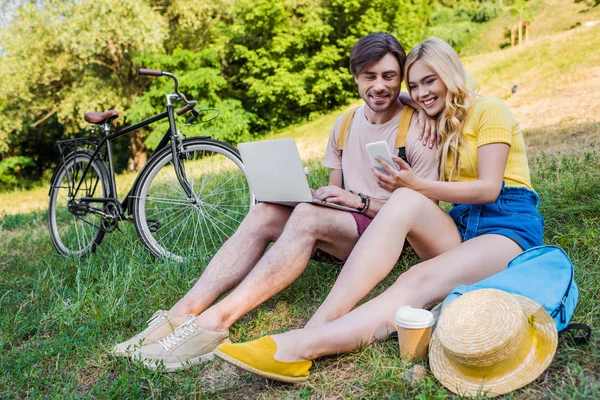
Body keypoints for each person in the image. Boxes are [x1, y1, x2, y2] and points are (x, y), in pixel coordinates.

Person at [213, 37, 545, 383]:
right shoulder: (438, 120)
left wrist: (415, 184)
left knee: (414, 278)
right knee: (404, 201)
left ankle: (301, 348)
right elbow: (393, 100)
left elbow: (489, 189)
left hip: (505, 225)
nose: (421, 92)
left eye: (430, 81)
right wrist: (413, 103)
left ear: (450, 75)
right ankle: (320, 323)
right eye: (413, 86)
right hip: (460, 227)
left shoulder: (490, 109)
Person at [112, 32, 438, 372]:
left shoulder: (418, 129)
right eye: (370, 76)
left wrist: (356, 201)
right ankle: (182, 314)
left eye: (389, 76)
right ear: (355, 76)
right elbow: (334, 194)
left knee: (309, 217)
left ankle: (214, 324)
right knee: (266, 211)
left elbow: (420, 213)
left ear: (401, 77)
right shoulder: (344, 125)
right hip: (347, 229)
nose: (379, 85)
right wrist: (323, 198)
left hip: (388, 239)